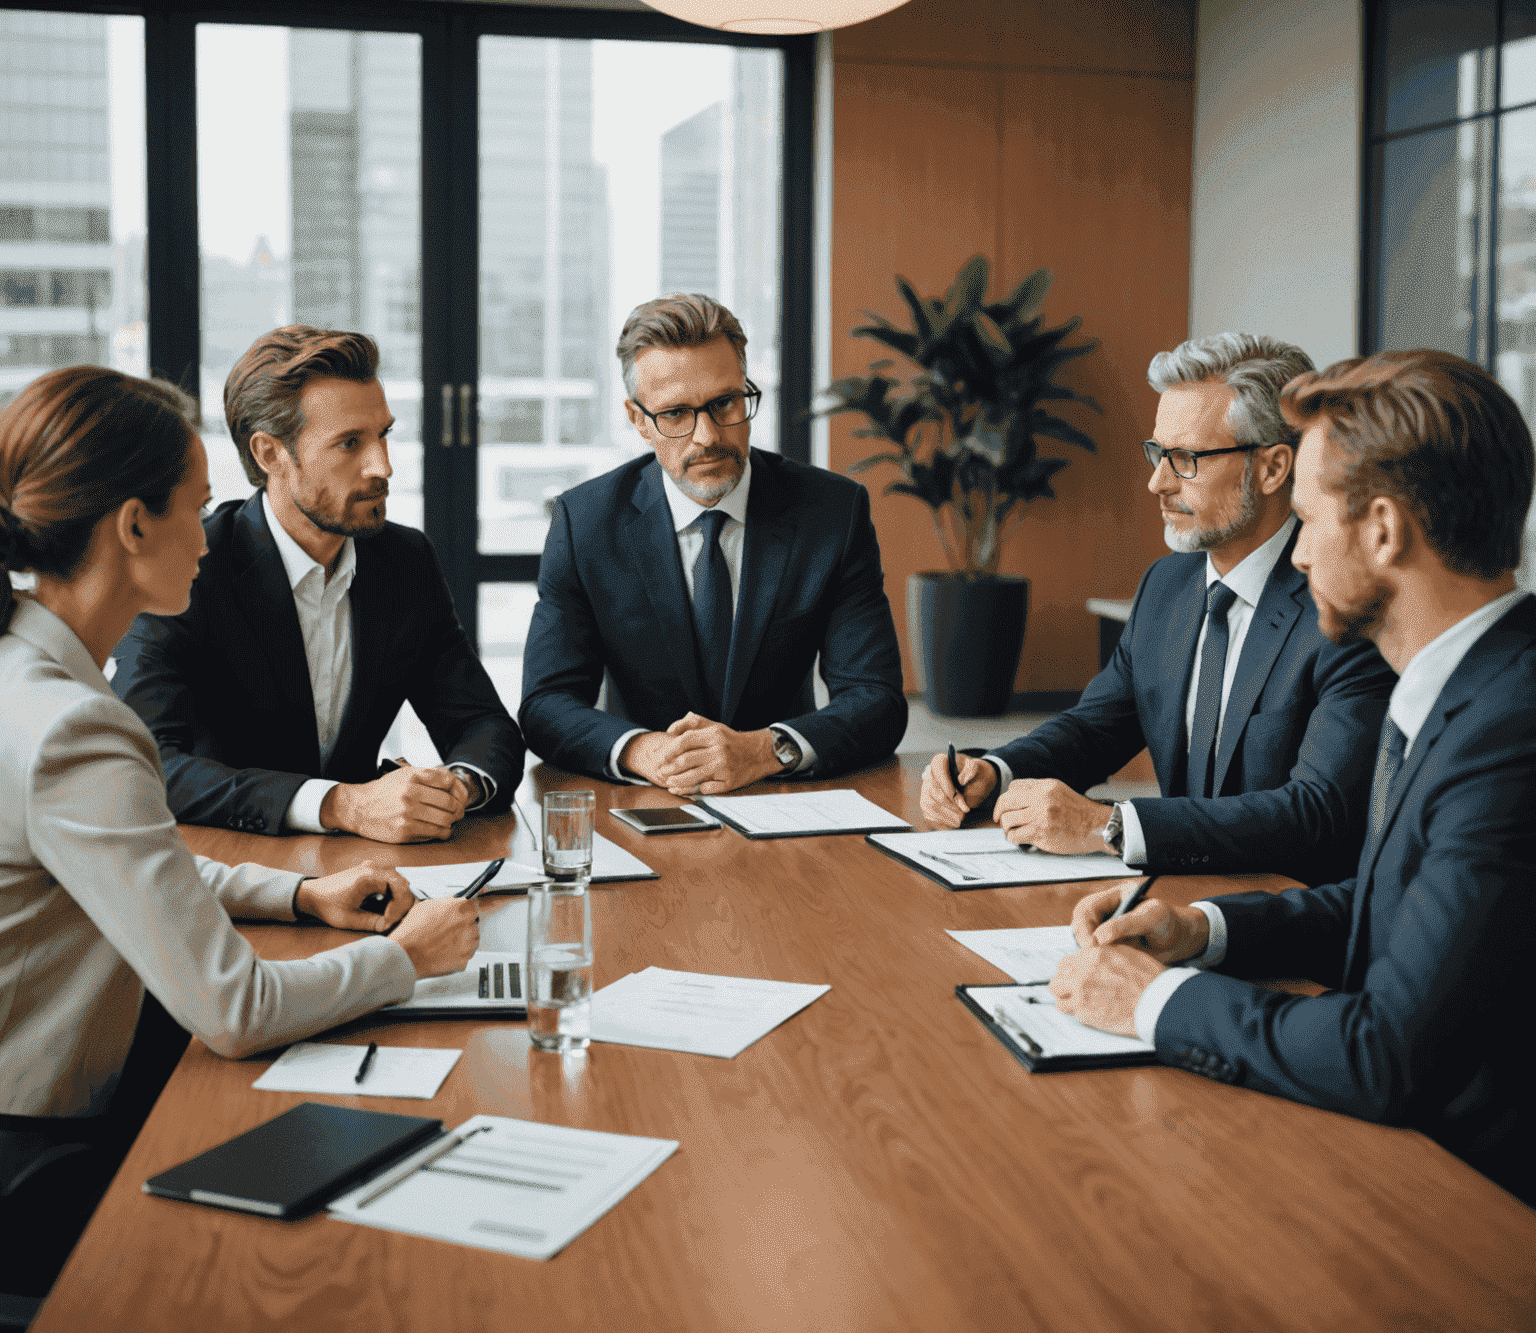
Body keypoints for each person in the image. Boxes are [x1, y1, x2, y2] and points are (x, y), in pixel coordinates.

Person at [1051, 350, 1536, 1205]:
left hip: (1476, 1195)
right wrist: (1198, 930)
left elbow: (1385, 1053)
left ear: (1384, 530)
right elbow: (1390, 902)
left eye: (1308, 520)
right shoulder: (1465, 680)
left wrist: (1155, 1002)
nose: (1298, 553)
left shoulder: (1511, 730)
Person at [0, 366, 478, 1193]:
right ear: (134, 527)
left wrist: (298, 897)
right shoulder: (78, 730)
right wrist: (407, 958)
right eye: (195, 505)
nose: (210, 534)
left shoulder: (27, 675)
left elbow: (130, 862)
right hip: (40, 1147)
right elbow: (239, 1011)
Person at [920, 333, 1394, 884]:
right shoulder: (1168, 585)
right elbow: (1097, 728)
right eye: (1157, 453)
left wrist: (1111, 827)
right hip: (1176, 899)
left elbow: (1315, 811)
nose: (1157, 482)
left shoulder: (1343, 604)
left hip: (1295, 924)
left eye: (1185, 459)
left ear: (1272, 468)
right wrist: (996, 772)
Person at [111, 327, 524, 843]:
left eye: (384, 435)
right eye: (350, 444)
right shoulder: (191, 568)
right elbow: (150, 767)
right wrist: (338, 803)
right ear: (270, 454)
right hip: (231, 873)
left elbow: (484, 725)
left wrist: (453, 790)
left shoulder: (404, 560)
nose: (383, 467)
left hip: (366, 875)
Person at [519, 293, 906, 792]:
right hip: (647, 797)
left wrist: (765, 750)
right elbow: (546, 703)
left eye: (724, 403)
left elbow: (877, 699)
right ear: (638, 419)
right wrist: (645, 750)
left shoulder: (833, 513)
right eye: (676, 413)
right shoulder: (585, 523)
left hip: (783, 792)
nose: (707, 437)